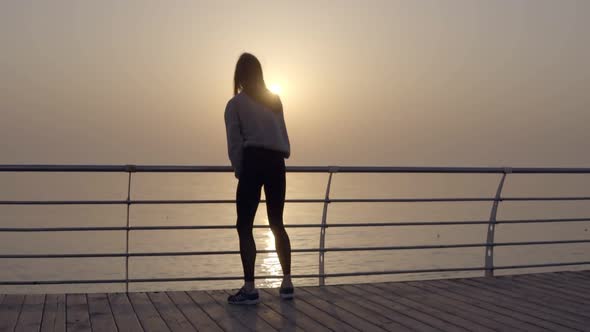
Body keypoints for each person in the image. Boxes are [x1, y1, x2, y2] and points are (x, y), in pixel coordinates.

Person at [224, 52, 293, 305]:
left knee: (244, 225)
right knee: (277, 222)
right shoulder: (274, 100)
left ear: (240, 76)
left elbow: (235, 144)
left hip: (253, 162)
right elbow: (284, 137)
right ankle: (286, 283)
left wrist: (240, 170)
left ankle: (250, 288)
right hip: (277, 162)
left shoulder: (235, 104)